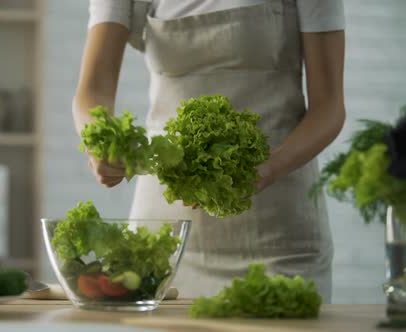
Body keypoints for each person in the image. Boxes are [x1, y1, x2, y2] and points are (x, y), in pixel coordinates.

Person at [71, 0, 345, 303]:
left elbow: (329, 107)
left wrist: (268, 168)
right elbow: (93, 89)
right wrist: (101, 142)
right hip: (167, 233)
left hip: (278, 228)